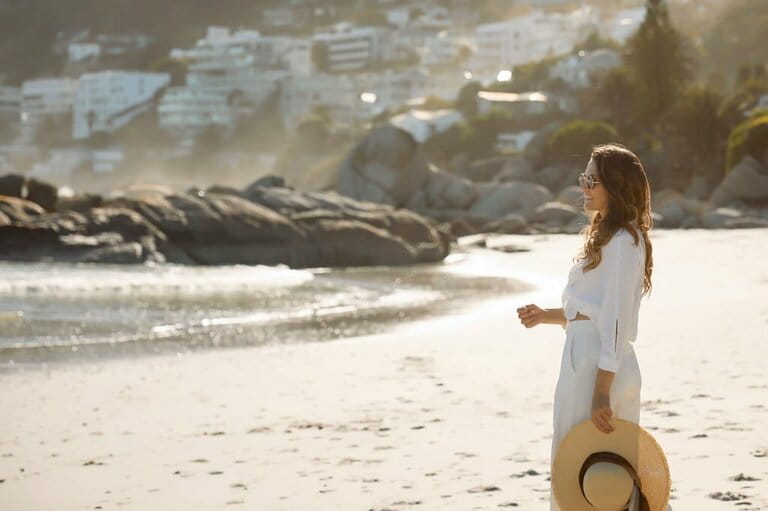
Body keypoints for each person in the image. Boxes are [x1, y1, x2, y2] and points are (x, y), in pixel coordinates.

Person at [516, 144, 655, 510]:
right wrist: (545, 315)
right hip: (591, 359)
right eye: (584, 179)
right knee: (589, 474)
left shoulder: (624, 242)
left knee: (587, 476)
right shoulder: (611, 238)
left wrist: (600, 391)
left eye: (592, 180)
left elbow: (616, 321)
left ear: (616, 186)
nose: (584, 187)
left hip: (599, 368)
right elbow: (592, 312)